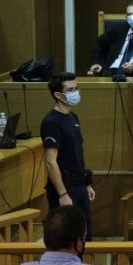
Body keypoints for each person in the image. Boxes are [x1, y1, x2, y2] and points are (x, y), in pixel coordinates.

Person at [41, 73, 95, 237]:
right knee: (65, 238)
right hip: (64, 188)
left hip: (79, 186)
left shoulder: (73, 117)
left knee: (85, 236)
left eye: (76, 88)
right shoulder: (51, 122)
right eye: (70, 90)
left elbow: (76, 153)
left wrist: (86, 184)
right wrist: (63, 194)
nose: (75, 92)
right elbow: (50, 162)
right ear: (58, 95)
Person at [88, 2, 133, 77]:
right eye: (129, 14)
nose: (132, 17)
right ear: (126, 17)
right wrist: (96, 62)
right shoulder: (117, 30)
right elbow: (99, 45)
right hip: (110, 72)